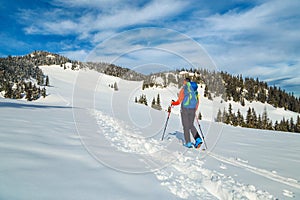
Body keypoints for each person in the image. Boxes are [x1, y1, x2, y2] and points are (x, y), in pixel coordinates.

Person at [171, 77, 203, 148]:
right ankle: (198, 139)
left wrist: (173, 103)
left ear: (185, 82)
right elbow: (197, 102)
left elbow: (179, 101)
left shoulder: (184, 89)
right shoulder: (195, 90)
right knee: (191, 125)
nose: (183, 82)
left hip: (185, 109)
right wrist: (194, 110)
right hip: (192, 109)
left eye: (184, 81)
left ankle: (188, 143)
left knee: (186, 126)